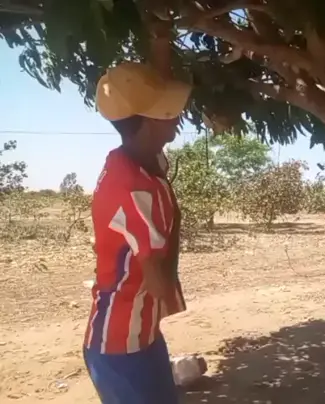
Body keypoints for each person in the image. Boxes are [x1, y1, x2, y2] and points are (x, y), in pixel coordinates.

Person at [83, 62, 191, 403]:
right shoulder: (133, 188)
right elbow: (159, 284)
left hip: (142, 337)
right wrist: (173, 224)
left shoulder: (132, 161)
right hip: (120, 348)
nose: (177, 117)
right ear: (149, 121)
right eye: (168, 111)